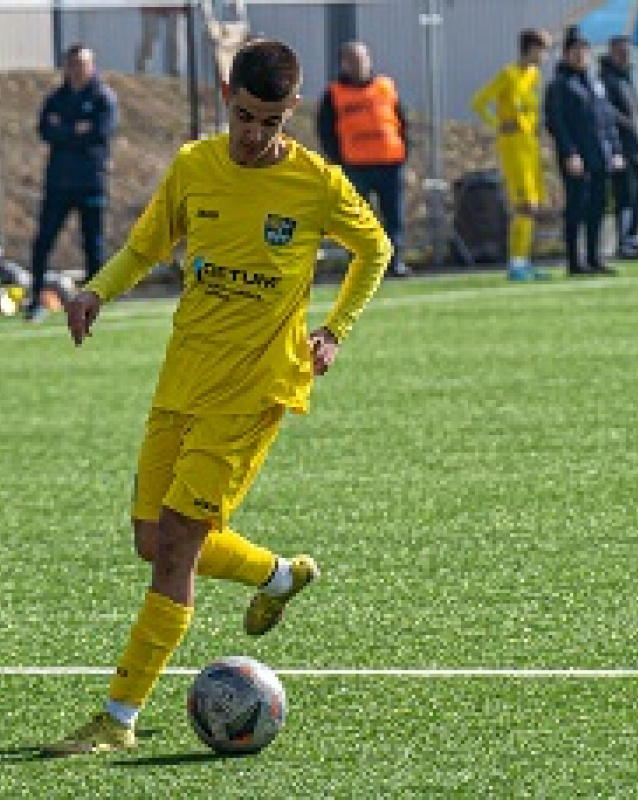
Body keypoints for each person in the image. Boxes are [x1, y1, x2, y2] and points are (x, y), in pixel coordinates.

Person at [42, 38, 391, 757]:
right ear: (227, 96)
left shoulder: (316, 184)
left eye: (270, 121)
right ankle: (280, 574)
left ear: (290, 111)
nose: (255, 134)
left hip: (255, 389)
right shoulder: (195, 167)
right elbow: (145, 246)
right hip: (182, 380)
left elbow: (374, 247)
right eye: (243, 116)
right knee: (152, 541)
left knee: (175, 547)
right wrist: (95, 292)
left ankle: (118, 717)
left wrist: (334, 331)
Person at [27, 44, 118, 322]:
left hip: (91, 182)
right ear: (66, 66)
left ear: (92, 66)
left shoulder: (103, 98)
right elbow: (45, 130)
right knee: (42, 243)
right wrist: (75, 130)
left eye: (83, 63)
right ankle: (36, 301)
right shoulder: (56, 98)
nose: (78, 69)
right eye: (73, 63)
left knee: (93, 246)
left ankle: (93, 303)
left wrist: (64, 131)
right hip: (58, 183)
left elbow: (99, 133)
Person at [316, 41, 410, 278]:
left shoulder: (385, 86)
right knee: (358, 219)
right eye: (353, 60)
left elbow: (401, 121)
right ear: (344, 63)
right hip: (356, 165)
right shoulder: (334, 93)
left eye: (363, 58)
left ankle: (394, 262)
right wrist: (339, 159)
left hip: (389, 162)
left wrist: (404, 151)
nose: (360, 64)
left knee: (393, 217)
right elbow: (326, 129)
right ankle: (360, 265)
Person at [471, 28, 553, 282]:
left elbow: (530, 110)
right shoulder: (509, 74)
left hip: (531, 147)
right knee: (524, 206)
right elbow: (479, 102)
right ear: (530, 49)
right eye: (543, 49)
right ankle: (516, 263)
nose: (546, 56)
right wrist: (498, 123)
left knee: (533, 206)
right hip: (513, 148)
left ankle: (523, 261)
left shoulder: (534, 75)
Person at [545, 26, 624, 276]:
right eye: (575, 51)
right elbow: (557, 123)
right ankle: (574, 261)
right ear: (566, 54)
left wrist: (616, 149)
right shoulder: (560, 85)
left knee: (598, 206)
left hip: (600, 153)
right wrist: (569, 153)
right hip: (578, 156)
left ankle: (593, 256)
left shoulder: (594, 84)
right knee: (577, 206)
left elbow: (607, 118)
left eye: (584, 50)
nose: (580, 56)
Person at [599, 35, 638, 260]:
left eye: (627, 52)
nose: (625, 56)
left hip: (637, 146)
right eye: (621, 52)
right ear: (612, 53)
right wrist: (629, 126)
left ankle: (630, 236)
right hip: (622, 146)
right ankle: (625, 241)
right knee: (626, 193)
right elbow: (608, 111)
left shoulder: (625, 78)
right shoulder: (606, 80)